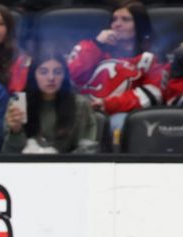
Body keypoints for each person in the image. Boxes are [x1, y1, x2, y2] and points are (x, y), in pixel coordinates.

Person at [68, 1, 165, 137]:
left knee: (118, 123)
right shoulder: (89, 47)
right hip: (83, 108)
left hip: (119, 113)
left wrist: (107, 104)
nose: (117, 24)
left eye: (125, 20)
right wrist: (97, 45)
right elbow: (70, 75)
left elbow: (152, 94)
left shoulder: (148, 59)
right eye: (114, 19)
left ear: (139, 26)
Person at [2, 52, 98, 155]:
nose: (51, 78)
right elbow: (8, 155)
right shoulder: (19, 104)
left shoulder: (80, 104)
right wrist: (16, 131)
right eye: (43, 72)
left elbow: (88, 151)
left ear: (64, 76)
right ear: (33, 75)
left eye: (57, 72)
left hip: (68, 168)